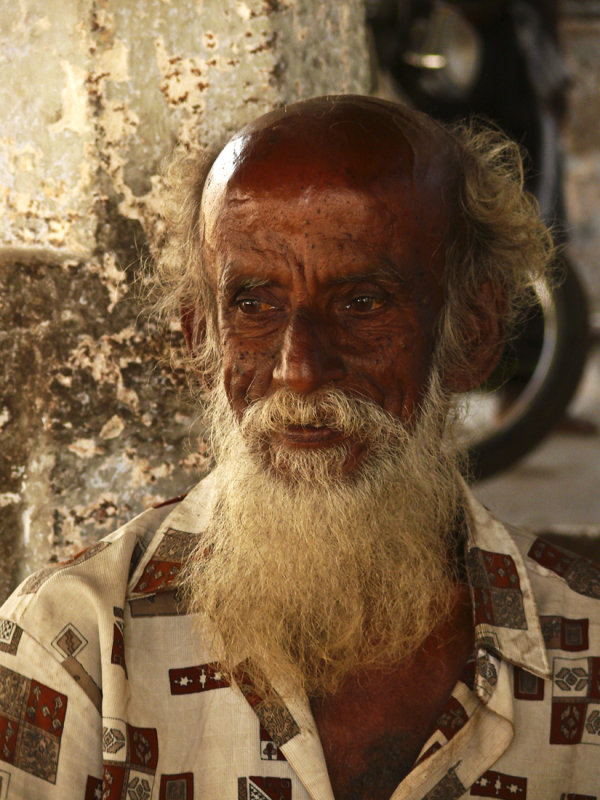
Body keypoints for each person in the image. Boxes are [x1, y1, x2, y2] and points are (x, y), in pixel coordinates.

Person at [0, 95, 598, 800]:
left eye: (364, 302)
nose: (300, 369)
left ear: (473, 332)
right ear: (201, 336)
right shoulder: (75, 645)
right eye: (254, 303)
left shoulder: (584, 644)